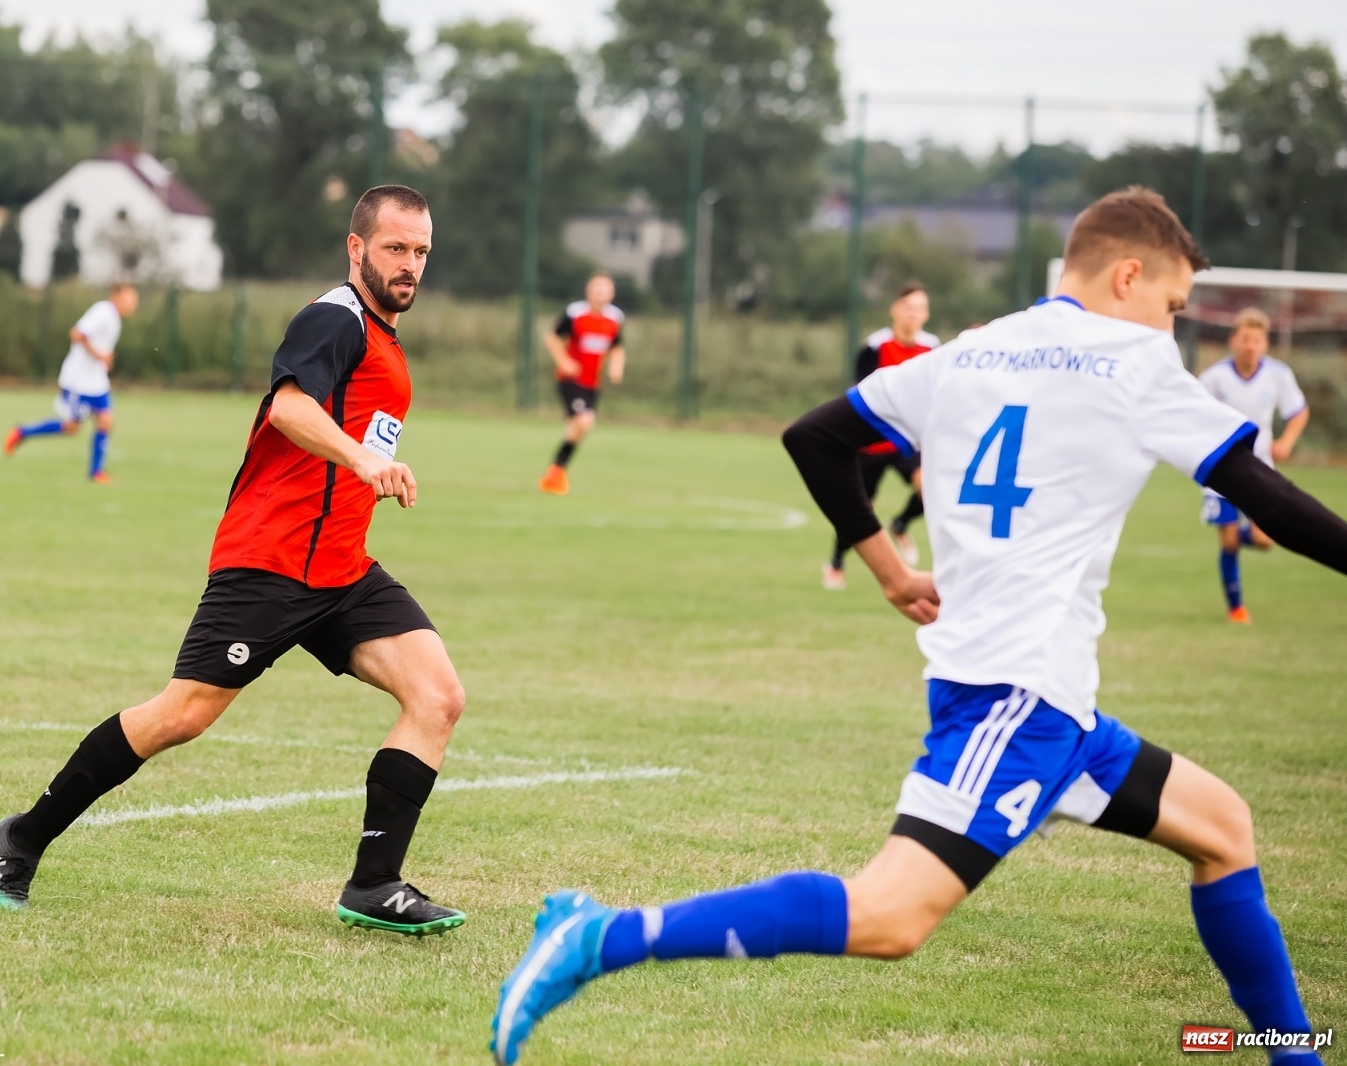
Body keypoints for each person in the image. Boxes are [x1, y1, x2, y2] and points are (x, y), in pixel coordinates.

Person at [490, 188, 1347, 1066]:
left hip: (1051, 705)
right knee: (891, 917)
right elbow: (1261, 488)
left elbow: (814, 436)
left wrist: (888, 567)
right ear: (1129, 276)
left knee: (1223, 829)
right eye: (1171, 306)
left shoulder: (971, 351)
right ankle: (600, 938)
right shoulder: (1134, 363)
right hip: (1018, 696)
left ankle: (1295, 1053)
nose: (1171, 327)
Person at [0, 186, 470, 937]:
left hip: (341, 568)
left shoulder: (383, 335)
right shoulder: (333, 320)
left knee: (437, 696)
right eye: (395, 249)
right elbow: (288, 407)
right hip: (269, 562)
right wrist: (364, 461)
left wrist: (367, 471)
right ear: (356, 248)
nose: (409, 265)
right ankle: (25, 835)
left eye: (420, 252)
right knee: (180, 716)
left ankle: (375, 885)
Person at [1197, 308, 1309, 623]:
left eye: (1257, 340)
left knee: (1264, 540)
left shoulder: (1278, 375)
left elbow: (1299, 412)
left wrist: (1286, 442)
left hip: (1259, 467)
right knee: (1228, 540)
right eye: (1245, 339)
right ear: (1234, 340)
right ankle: (1236, 608)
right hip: (1219, 468)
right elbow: (1195, 413)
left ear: (1265, 344)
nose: (1250, 346)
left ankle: (1239, 544)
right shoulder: (1215, 377)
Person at [824, 283, 939, 589]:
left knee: (930, 488)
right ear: (895, 310)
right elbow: (862, 396)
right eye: (908, 308)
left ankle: (901, 523)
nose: (912, 315)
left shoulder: (932, 350)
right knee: (860, 509)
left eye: (919, 309)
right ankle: (837, 560)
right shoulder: (874, 348)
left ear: (926, 314)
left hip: (908, 441)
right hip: (872, 443)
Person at [4, 283, 139, 483]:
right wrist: (99, 355)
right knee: (71, 427)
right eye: (129, 299)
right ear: (115, 296)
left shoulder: (114, 319)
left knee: (106, 421)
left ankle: (96, 472)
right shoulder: (102, 311)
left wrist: (103, 359)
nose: (132, 304)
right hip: (79, 380)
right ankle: (22, 432)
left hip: (96, 381)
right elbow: (77, 334)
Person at [538, 275, 625, 495]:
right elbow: (552, 338)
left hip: (592, 383)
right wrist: (564, 361)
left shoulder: (615, 318)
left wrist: (616, 367)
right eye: (597, 289)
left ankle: (555, 473)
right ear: (589, 291)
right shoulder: (575, 314)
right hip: (571, 380)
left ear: (611, 294)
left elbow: (616, 347)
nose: (600, 294)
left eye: (605, 290)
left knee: (578, 429)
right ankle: (555, 473)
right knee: (584, 421)